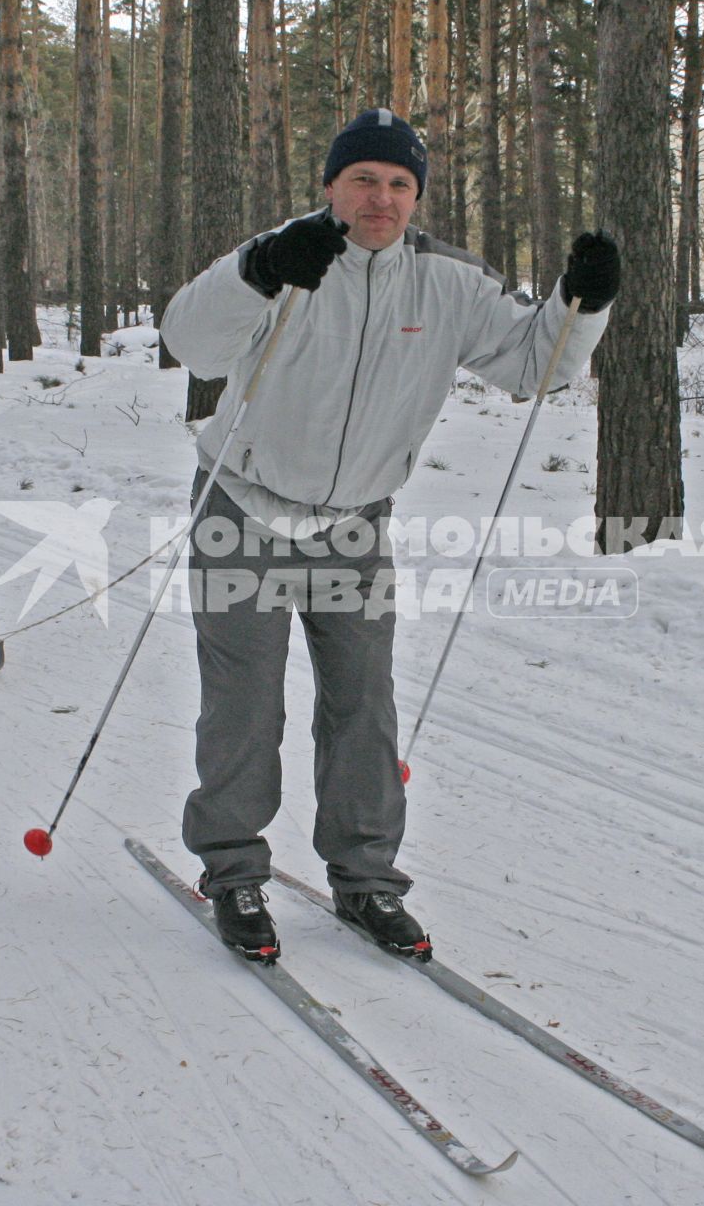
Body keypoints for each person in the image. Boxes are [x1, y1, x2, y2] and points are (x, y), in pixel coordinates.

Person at [158, 108, 621, 963]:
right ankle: (232, 869)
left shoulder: (447, 280)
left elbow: (534, 367)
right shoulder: (286, 256)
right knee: (245, 703)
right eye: (364, 179)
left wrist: (579, 304)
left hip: (354, 524)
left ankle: (366, 876)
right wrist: (256, 272)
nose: (382, 197)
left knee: (363, 702)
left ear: (417, 197)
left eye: (400, 184)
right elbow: (190, 343)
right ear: (331, 186)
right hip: (243, 509)